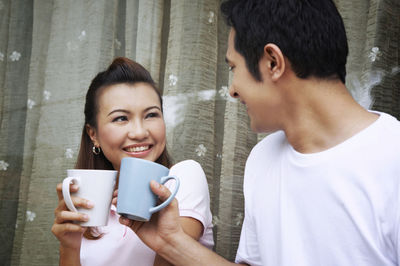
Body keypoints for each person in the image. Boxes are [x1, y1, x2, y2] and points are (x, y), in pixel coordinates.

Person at [119, 0, 400, 265]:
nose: (232, 89)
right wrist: (170, 241)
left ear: (273, 62)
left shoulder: (392, 158)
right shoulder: (262, 158)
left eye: (233, 68)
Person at [51, 57, 214, 266]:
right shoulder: (89, 205)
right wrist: (68, 246)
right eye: (121, 118)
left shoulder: (181, 180)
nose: (139, 132)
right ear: (94, 134)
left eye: (151, 115)